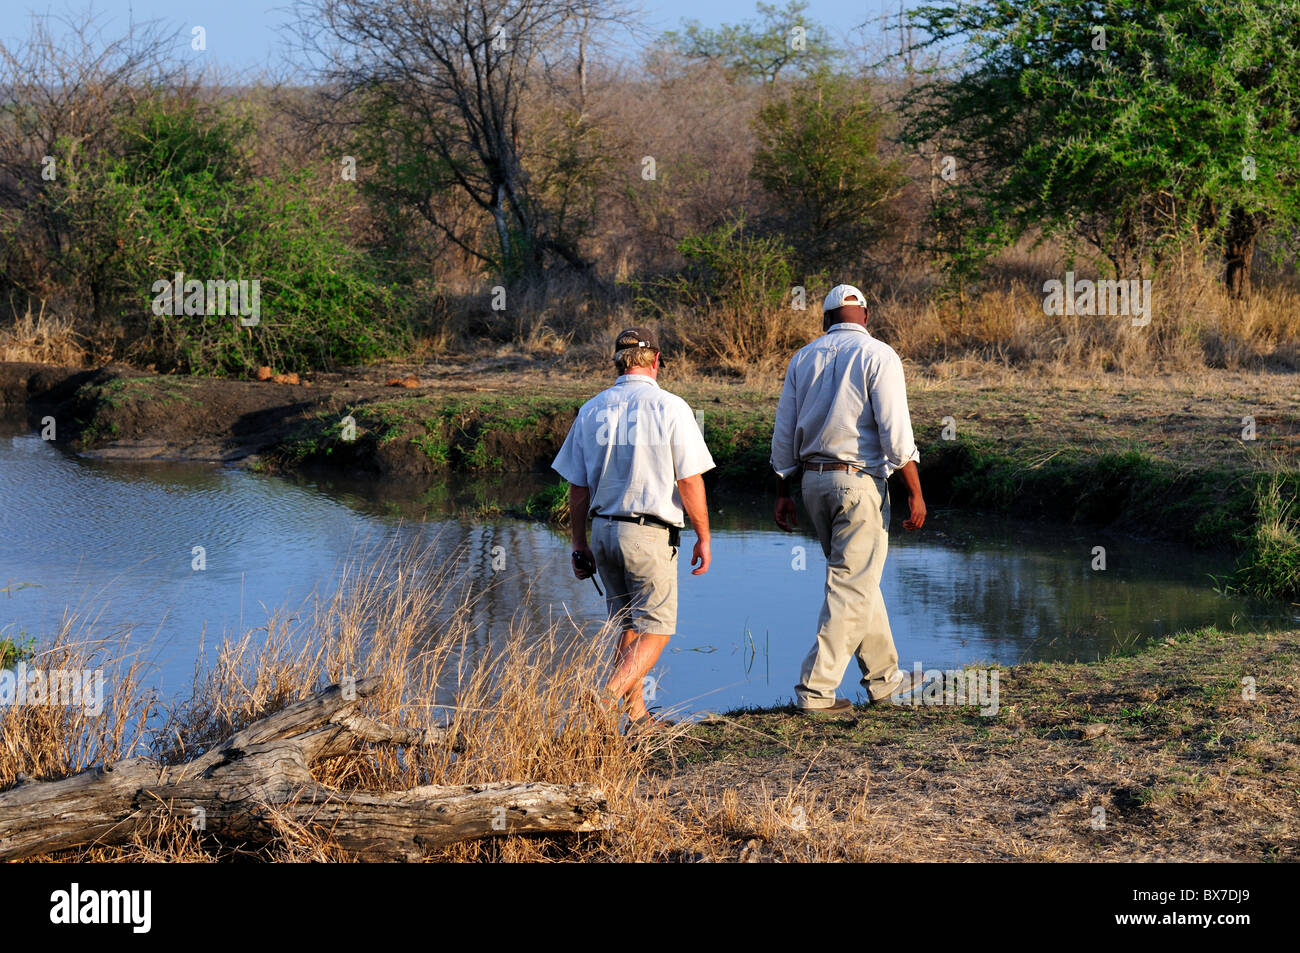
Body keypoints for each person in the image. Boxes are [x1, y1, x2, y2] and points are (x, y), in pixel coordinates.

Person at [770, 284, 928, 716]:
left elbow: (784, 433)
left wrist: (783, 491)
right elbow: (897, 435)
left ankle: (885, 680)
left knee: (856, 582)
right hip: (859, 483)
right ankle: (816, 691)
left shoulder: (803, 357)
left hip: (813, 484)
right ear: (867, 316)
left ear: (825, 320)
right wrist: (914, 490)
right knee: (850, 586)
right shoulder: (879, 355)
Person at [552, 326, 714, 727]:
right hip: (648, 534)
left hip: (604, 532)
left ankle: (637, 717)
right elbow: (690, 480)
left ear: (616, 362)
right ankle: (607, 698)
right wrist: (704, 536)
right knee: (657, 629)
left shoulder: (592, 408)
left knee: (630, 624)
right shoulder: (672, 407)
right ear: (656, 361)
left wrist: (579, 543)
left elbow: (577, 486)